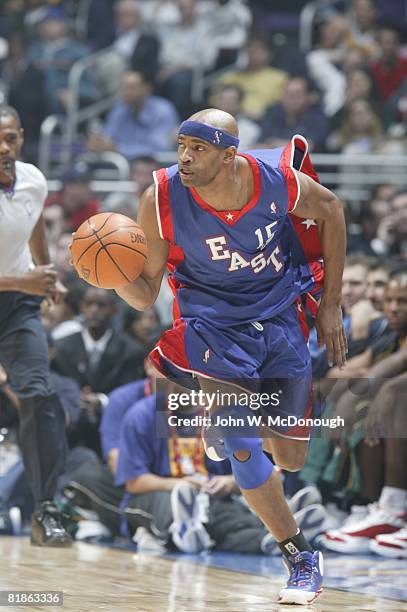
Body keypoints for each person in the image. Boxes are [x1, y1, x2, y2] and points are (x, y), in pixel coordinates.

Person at [113, 108, 347, 605]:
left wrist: (329, 307)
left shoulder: (274, 182)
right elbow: (144, 291)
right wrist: (111, 272)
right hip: (211, 323)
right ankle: (300, 558)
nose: (184, 157)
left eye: (197, 149)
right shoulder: (161, 196)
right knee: (241, 443)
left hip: (280, 312)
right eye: (180, 146)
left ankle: (231, 422)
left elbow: (333, 212)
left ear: (229, 154)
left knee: (290, 456)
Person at [0, 104, 72, 546]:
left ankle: (45, 510)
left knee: (40, 396)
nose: (3, 148)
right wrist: (26, 277)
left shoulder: (32, 179)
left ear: (22, 137)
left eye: (10, 138)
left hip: (17, 305)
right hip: (17, 285)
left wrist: (46, 275)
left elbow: (34, 225)